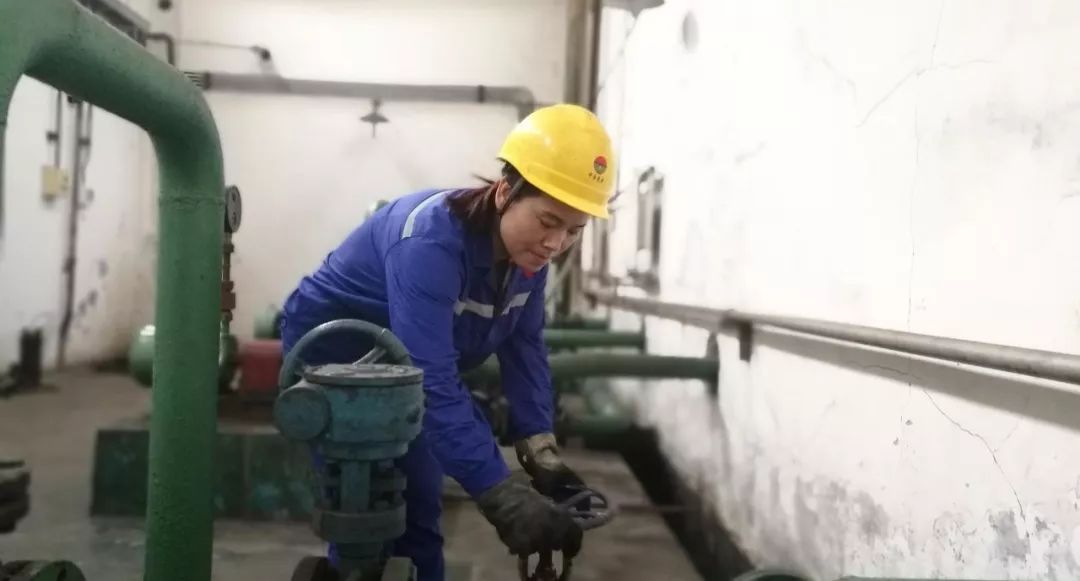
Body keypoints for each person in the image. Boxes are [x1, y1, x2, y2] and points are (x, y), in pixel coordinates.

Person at [279, 103, 616, 581]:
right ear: (505, 192)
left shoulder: (528, 261)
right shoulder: (430, 243)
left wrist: (542, 453)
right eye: (547, 221)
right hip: (337, 358)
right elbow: (431, 381)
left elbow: (525, 351)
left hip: (404, 368)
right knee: (363, 503)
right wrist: (500, 493)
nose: (555, 244)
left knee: (419, 509)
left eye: (573, 231)